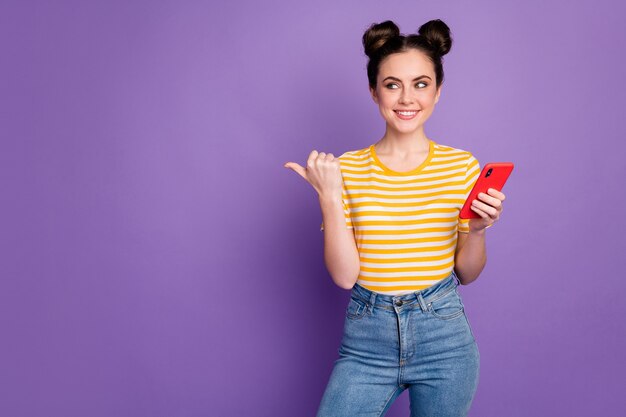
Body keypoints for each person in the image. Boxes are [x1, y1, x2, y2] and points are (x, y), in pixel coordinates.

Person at [284, 18, 506, 417]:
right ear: (374, 91)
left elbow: (468, 273)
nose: (407, 98)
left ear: (438, 91)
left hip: (444, 337)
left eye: (421, 83)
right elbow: (345, 276)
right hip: (367, 339)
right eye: (392, 84)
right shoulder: (346, 169)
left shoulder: (461, 167)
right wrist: (331, 198)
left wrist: (477, 230)